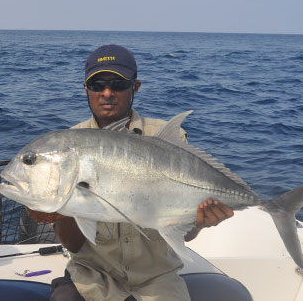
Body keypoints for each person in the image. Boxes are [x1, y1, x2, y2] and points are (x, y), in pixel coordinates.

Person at [30, 44, 235, 301]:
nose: (107, 93)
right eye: (97, 85)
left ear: (135, 87)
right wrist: (56, 215)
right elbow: (73, 245)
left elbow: (184, 229)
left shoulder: (164, 138)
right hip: (93, 277)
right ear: (85, 89)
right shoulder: (66, 146)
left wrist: (200, 221)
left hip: (158, 280)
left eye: (117, 84)